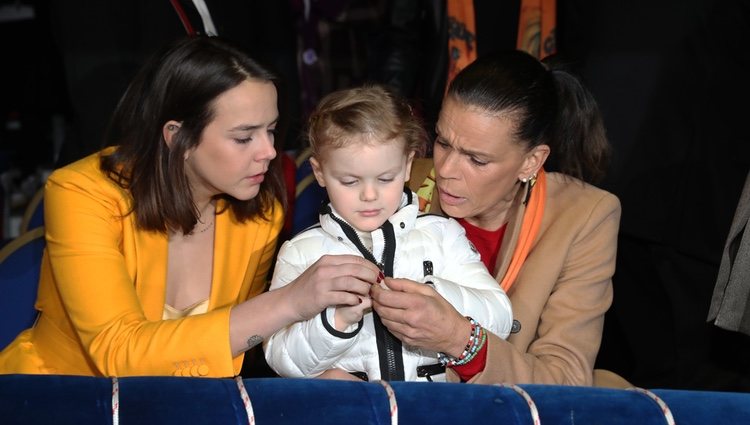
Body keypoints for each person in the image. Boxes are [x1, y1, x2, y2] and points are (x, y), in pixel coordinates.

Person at [0, 36, 381, 377]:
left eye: (270, 130)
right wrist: (290, 300)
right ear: (177, 136)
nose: (268, 152)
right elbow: (117, 353)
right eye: (244, 137)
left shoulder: (260, 210)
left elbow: (235, 344)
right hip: (58, 399)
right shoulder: (80, 193)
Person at [369, 49, 622, 386]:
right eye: (443, 142)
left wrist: (461, 342)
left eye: (476, 160)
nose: (445, 170)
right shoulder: (400, 180)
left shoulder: (583, 216)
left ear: (531, 161)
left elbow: (566, 379)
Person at [264, 85, 513, 382]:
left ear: (408, 165)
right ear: (319, 172)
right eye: (349, 181)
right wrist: (336, 321)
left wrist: (436, 295)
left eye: (385, 178)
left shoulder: (443, 235)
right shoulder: (300, 252)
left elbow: (501, 318)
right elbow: (279, 358)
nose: (369, 195)